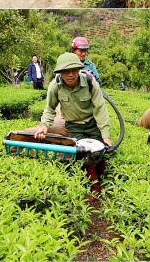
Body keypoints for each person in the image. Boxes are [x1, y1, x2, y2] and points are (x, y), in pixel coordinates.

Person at [34, 53, 112, 193]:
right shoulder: (55, 86)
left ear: (79, 69)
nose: (70, 74)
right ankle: (95, 189)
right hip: (74, 125)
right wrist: (44, 126)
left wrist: (105, 135)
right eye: (65, 71)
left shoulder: (89, 82)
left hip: (92, 123)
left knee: (99, 153)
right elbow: (50, 108)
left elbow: (100, 108)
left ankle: (103, 181)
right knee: (84, 155)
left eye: (74, 70)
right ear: (60, 72)